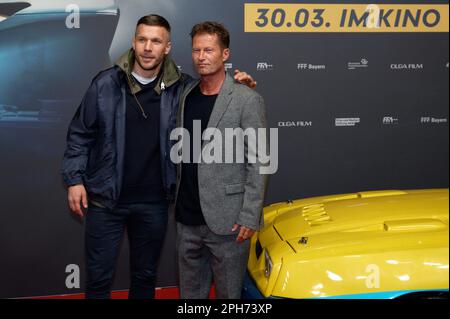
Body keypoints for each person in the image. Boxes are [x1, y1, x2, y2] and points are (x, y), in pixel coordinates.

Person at [61, 14, 256, 299]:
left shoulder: (183, 88)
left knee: (145, 278)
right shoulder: (105, 84)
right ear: (134, 43)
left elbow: (216, 92)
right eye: (142, 40)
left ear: (167, 47)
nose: (147, 47)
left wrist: (241, 87)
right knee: (99, 279)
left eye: (156, 41)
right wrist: (75, 179)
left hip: (153, 203)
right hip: (106, 200)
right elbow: (80, 133)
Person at [174, 21, 268, 299]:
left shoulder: (246, 98)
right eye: (196, 50)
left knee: (230, 297)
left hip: (229, 223)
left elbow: (260, 160)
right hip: (187, 219)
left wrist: (250, 216)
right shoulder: (185, 95)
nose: (201, 56)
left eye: (209, 50)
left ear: (225, 54)